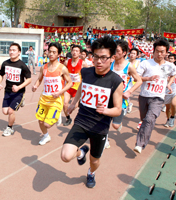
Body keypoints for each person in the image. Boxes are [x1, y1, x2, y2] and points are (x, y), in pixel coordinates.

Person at [61, 36, 123, 188]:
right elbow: (82, 86)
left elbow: (118, 110)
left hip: (99, 127)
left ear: (112, 58)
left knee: (94, 161)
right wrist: (74, 103)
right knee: (65, 156)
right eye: (96, 57)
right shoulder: (86, 72)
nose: (99, 61)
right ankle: (81, 153)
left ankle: (91, 173)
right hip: (82, 121)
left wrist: (106, 110)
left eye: (103, 58)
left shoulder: (116, 81)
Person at [134, 39, 176, 154]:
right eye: (157, 51)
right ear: (153, 51)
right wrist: (148, 79)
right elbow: (136, 77)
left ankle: (139, 144)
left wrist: (169, 84)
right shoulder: (146, 63)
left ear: (167, 52)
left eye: (162, 52)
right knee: (144, 119)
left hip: (158, 98)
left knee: (149, 119)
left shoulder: (170, 66)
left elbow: (173, 75)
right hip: (144, 96)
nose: (159, 54)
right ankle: (143, 138)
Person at [32, 42, 72, 145]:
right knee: (40, 121)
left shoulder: (62, 68)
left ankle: (57, 115)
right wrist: (36, 85)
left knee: (47, 124)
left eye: (54, 52)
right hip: (44, 98)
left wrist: (59, 92)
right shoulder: (43, 67)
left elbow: (70, 83)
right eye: (49, 51)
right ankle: (46, 136)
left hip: (56, 100)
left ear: (59, 54)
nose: (51, 54)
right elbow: (39, 79)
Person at [105, 41, 142, 149]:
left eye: (117, 51)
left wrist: (129, 91)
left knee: (115, 126)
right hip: (107, 97)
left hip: (121, 99)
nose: (114, 53)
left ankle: (119, 120)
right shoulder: (110, 63)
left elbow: (139, 81)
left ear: (124, 53)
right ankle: (105, 139)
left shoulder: (129, 66)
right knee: (104, 119)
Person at [0, 43, 32, 136]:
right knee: (5, 112)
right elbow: (1, 74)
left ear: (19, 52)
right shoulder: (5, 63)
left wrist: (19, 87)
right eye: (10, 50)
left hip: (19, 92)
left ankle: (10, 128)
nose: (11, 52)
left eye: (14, 50)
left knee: (10, 111)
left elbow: (29, 79)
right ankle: (20, 102)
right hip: (8, 91)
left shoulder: (22, 65)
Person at [63, 45, 88, 126]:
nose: (74, 52)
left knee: (73, 106)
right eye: (73, 50)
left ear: (80, 53)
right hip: (69, 86)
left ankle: (79, 104)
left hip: (77, 88)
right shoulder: (67, 62)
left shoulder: (83, 63)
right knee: (64, 104)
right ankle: (68, 118)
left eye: (77, 51)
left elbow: (88, 75)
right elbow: (62, 72)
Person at [127, 48, 140, 114]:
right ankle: (129, 104)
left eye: (134, 54)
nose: (132, 55)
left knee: (126, 93)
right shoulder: (126, 61)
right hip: (126, 80)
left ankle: (126, 105)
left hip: (133, 81)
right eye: (131, 53)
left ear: (137, 56)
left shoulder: (138, 63)